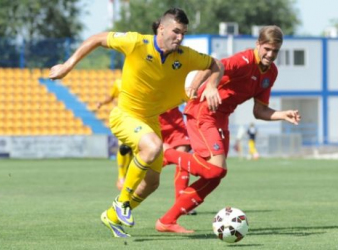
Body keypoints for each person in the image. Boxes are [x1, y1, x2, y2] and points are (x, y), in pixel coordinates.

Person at [49, 7, 224, 238]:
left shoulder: (185, 55)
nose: (180, 38)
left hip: (151, 121)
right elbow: (98, 38)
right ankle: (121, 202)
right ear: (161, 29)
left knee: (151, 183)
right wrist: (67, 66)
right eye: (176, 32)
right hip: (124, 115)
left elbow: (215, 63)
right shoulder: (136, 42)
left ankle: (111, 217)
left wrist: (211, 85)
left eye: (183, 33)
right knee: (152, 147)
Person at [158, 25, 301, 233]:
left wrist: (282, 115)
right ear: (258, 44)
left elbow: (259, 111)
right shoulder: (245, 60)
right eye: (267, 49)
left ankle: (167, 221)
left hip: (221, 119)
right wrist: (210, 86)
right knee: (217, 169)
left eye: (275, 51)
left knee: (214, 178)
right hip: (203, 112)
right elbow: (217, 64)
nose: (270, 55)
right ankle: (167, 153)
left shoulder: (271, 73)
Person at [96, 78, 132, 190]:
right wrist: (101, 102)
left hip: (138, 117)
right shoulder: (119, 82)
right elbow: (111, 97)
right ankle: (121, 177)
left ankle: (128, 176)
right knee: (124, 147)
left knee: (134, 151)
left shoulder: (141, 80)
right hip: (123, 118)